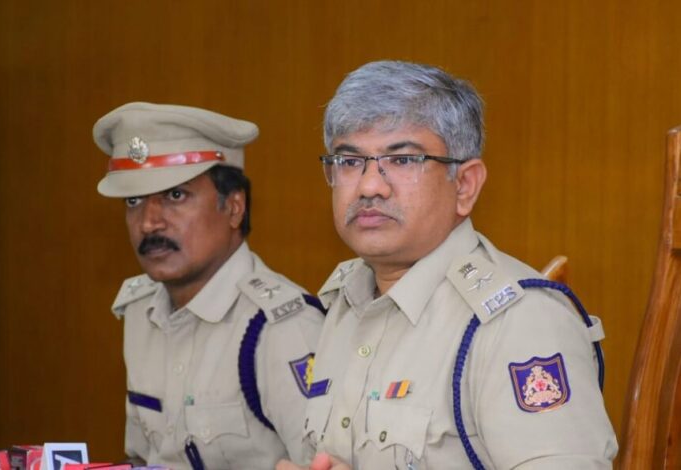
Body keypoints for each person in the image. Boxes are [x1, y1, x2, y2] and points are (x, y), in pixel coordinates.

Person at [277, 61, 617, 469]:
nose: (369, 185)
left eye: (403, 160)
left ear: (465, 185)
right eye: (350, 161)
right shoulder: (344, 303)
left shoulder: (519, 321)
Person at [93, 102, 325, 469]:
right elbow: (144, 459)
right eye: (133, 201)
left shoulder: (279, 328)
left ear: (234, 208)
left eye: (175, 196)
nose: (149, 223)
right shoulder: (140, 310)